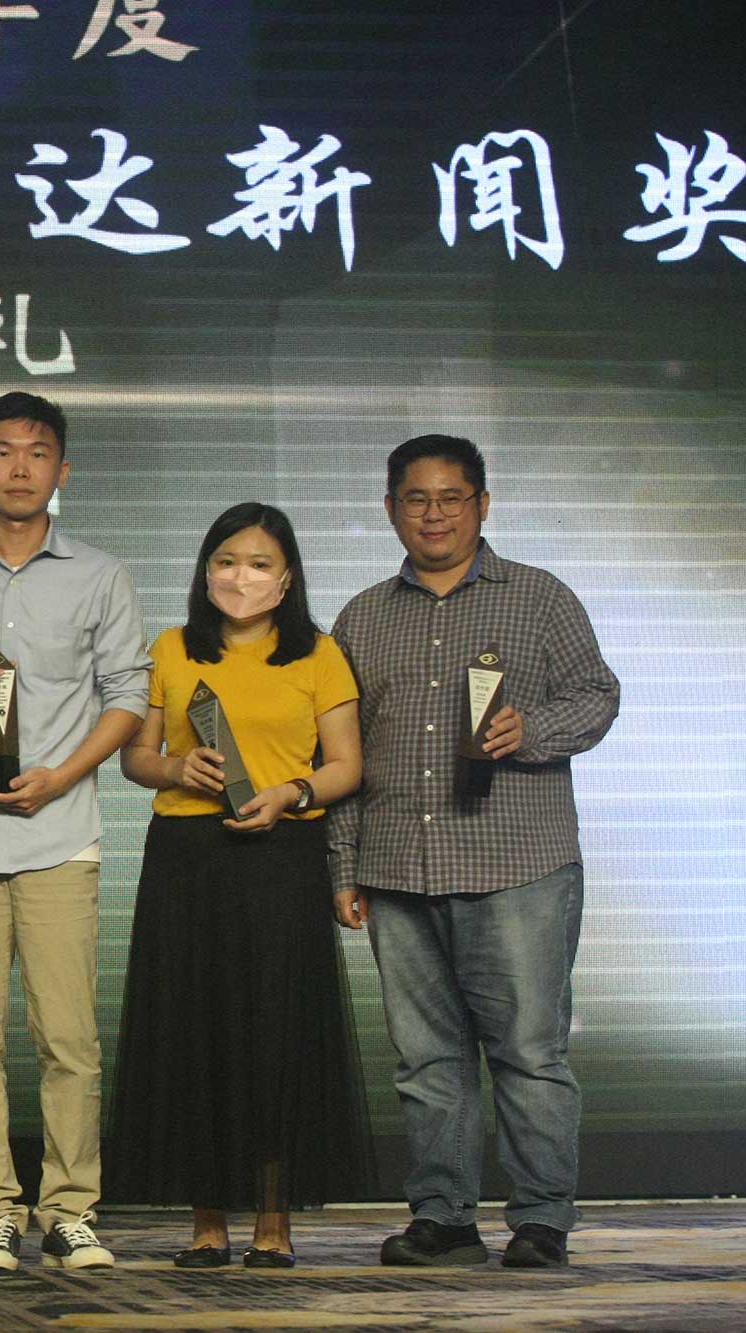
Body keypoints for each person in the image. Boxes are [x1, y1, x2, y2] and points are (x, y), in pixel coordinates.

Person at [330, 435, 619, 1270]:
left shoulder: (539, 597)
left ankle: (541, 1220)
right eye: (416, 499)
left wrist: (531, 728)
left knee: (529, 1051)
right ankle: (445, 1217)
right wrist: (343, 866)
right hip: (397, 868)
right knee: (425, 1060)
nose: (434, 514)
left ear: (482, 505)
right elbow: (342, 752)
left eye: (451, 497)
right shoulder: (361, 617)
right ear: (391, 509)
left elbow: (598, 696)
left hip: (516, 863)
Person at [0, 392, 149, 1273]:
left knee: (68, 1040)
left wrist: (63, 775)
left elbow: (129, 695)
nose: (20, 466)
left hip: (60, 832)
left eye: (38, 451)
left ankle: (70, 1209)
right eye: (3, 451)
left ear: (63, 469)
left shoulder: (101, 574)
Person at [110, 502, 369, 1268]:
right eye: (226, 561)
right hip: (187, 859)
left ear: (287, 578)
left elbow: (347, 765)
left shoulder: (319, 654)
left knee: (274, 1036)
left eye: (259, 563)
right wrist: (175, 767)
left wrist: (292, 792)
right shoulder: (171, 647)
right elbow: (136, 758)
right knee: (194, 1033)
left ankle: (273, 1221)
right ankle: (206, 1221)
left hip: (280, 856)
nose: (240, 577)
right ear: (205, 570)